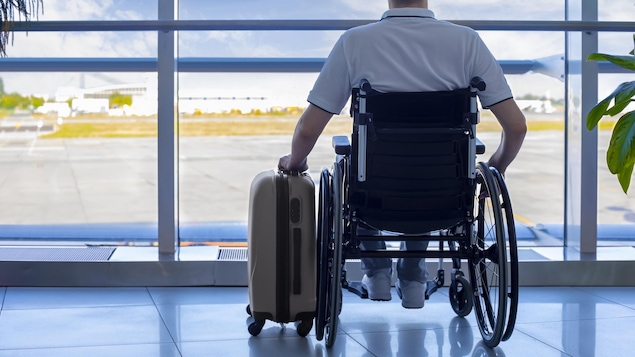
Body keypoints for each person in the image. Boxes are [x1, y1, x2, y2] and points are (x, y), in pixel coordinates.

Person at [278, 0, 527, 308]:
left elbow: (307, 130)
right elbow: (516, 126)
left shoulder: (355, 42)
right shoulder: (467, 42)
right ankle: (412, 277)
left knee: (359, 168)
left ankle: (378, 273)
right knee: (427, 171)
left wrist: (296, 161)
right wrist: (494, 170)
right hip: (446, 197)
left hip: (375, 198)